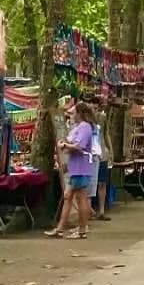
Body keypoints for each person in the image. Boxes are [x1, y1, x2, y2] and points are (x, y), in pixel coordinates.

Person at [48, 100, 96, 239]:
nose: (71, 115)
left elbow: (79, 146)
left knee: (79, 198)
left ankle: (79, 229)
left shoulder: (85, 127)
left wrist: (65, 146)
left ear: (79, 114)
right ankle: (63, 228)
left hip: (80, 167)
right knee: (70, 197)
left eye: (73, 113)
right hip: (75, 167)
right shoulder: (78, 127)